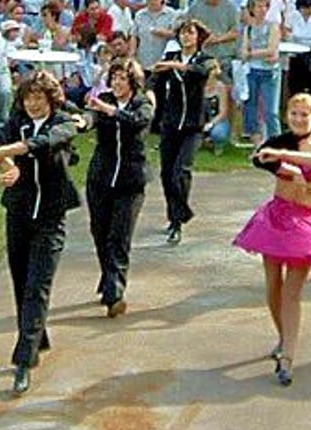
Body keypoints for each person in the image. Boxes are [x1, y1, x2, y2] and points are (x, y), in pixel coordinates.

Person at [0, 71, 83, 395]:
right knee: (21, 281)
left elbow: (44, 143)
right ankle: (37, 336)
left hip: (51, 218)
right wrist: (7, 165)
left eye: (39, 98)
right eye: (28, 98)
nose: (33, 104)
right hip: (19, 213)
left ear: (51, 100)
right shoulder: (15, 121)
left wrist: (11, 152)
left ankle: (24, 360)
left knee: (37, 286)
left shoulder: (64, 123)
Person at [233, 93, 311, 387]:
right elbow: (258, 158)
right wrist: (279, 162)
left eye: (304, 114)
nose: (299, 119)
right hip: (277, 218)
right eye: (294, 114)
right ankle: (284, 336)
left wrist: (283, 157)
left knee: (293, 292)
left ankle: (288, 358)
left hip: (307, 223)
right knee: (273, 286)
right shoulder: (278, 141)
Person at [83, 58, 153, 317]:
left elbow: (138, 121)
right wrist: (84, 121)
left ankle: (114, 293)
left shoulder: (142, 103)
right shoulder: (104, 100)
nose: (117, 83)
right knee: (100, 232)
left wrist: (110, 111)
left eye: (122, 78)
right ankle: (108, 275)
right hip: (100, 178)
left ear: (133, 81)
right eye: (113, 78)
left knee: (119, 237)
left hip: (130, 181)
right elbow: (91, 116)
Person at [151, 20, 211, 244]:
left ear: (197, 36)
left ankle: (178, 219)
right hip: (171, 124)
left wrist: (175, 66)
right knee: (167, 173)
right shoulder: (170, 60)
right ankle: (174, 215)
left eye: (190, 33)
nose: (186, 37)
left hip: (193, 125)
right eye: (182, 34)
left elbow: (203, 71)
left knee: (181, 170)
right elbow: (154, 80)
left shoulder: (204, 59)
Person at [240, 0, 282, 145]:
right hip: (252, 71)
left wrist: (252, 53)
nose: (262, 10)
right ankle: (257, 142)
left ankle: (276, 141)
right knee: (251, 108)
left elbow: (271, 49)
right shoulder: (249, 28)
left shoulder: (273, 26)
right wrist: (253, 54)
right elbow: (243, 51)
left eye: (265, 6)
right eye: (259, 6)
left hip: (269, 72)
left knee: (271, 111)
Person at [202, 59, 231, 155]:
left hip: (217, 119)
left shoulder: (221, 87)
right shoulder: (197, 86)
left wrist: (210, 124)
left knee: (218, 133)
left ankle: (218, 145)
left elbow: (224, 112)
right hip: (200, 119)